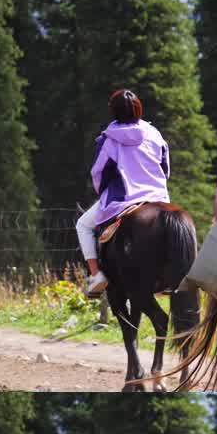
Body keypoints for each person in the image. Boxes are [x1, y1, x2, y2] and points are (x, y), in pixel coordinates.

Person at [76, 90, 171, 298]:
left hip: (123, 199)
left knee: (83, 225)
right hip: (157, 196)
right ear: (139, 108)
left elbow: (98, 172)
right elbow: (165, 167)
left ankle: (96, 275)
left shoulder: (108, 140)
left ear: (113, 112)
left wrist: (103, 192)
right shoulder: (154, 133)